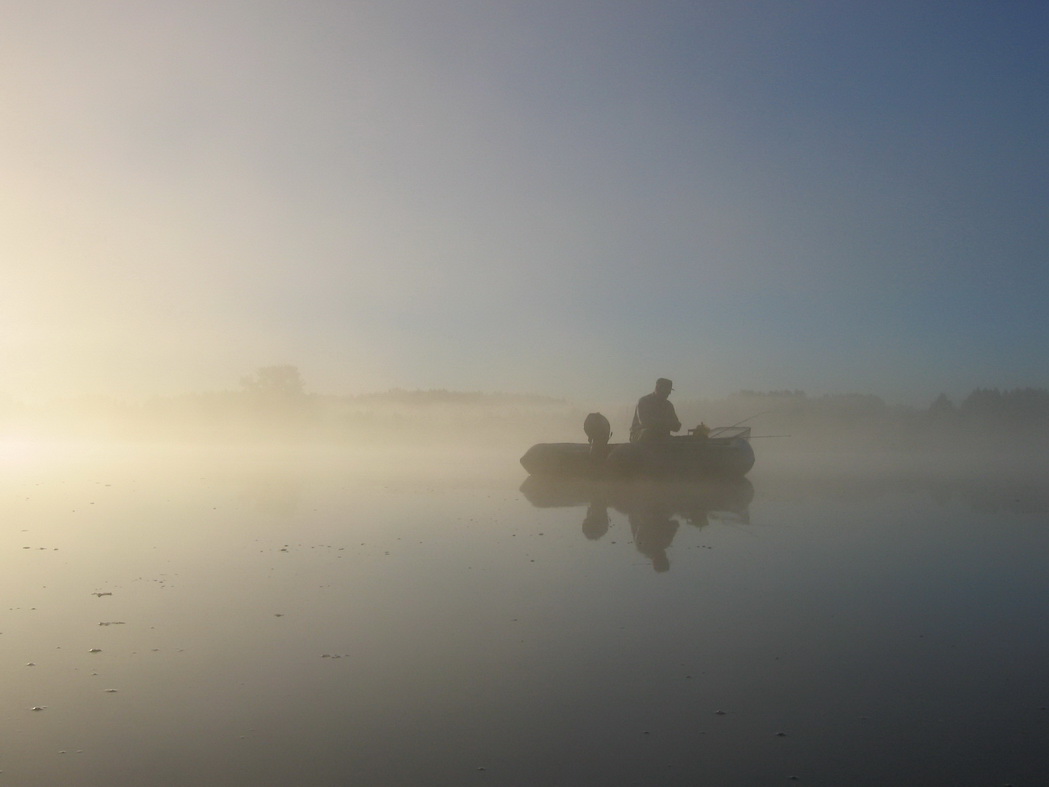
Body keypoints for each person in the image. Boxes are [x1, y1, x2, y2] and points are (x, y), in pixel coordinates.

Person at [630, 378, 681, 442]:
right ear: (658, 388)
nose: (669, 393)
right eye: (666, 391)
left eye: (669, 391)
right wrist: (666, 423)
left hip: (661, 436)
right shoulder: (644, 401)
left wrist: (674, 424)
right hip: (639, 434)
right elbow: (644, 422)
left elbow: (676, 425)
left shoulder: (668, 405)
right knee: (648, 433)